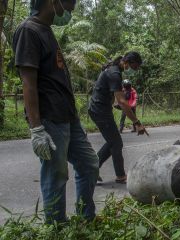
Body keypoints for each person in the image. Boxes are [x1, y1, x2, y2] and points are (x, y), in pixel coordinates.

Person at [12, 0, 99, 223]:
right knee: (56, 175)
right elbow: (28, 83)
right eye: (69, 6)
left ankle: (85, 218)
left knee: (89, 164)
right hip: (50, 118)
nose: (70, 11)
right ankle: (56, 227)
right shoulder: (28, 31)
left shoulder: (46, 30)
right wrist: (37, 128)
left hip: (68, 117)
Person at [88, 52, 148, 184]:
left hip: (100, 109)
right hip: (99, 110)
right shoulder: (115, 73)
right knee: (116, 143)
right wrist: (136, 122)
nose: (134, 70)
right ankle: (119, 175)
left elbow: (116, 99)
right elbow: (122, 101)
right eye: (135, 67)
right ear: (128, 62)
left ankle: (92, 169)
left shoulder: (114, 70)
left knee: (113, 142)